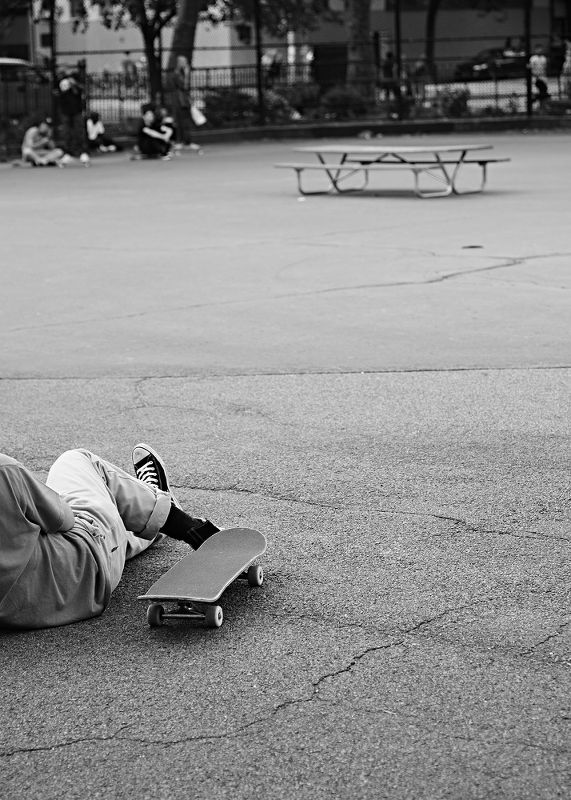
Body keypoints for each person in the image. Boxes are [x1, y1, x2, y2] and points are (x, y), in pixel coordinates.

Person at [0, 444, 220, 630]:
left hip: (16, 615)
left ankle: (151, 511)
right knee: (75, 461)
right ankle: (182, 522)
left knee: (102, 526)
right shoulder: (5, 470)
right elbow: (64, 519)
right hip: (85, 577)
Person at [58, 68, 90, 164]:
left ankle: (83, 152)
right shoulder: (62, 86)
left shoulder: (76, 88)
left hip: (77, 112)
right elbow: (59, 94)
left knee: (79, 132)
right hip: (66, 113)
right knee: (66, 133)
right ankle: (67, 153)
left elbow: (81, 90)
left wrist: (74, 84)